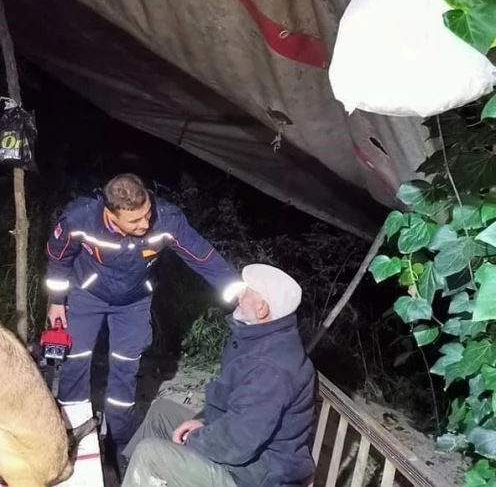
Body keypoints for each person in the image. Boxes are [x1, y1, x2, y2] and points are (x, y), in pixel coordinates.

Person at [43, 173, 243, 457]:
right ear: (111, 215)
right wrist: (56, 302)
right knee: (75, 363)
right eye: (135, 221)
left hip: (134, 302)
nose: (145, 224)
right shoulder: (79, 219)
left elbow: (203, 256)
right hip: (86, 295)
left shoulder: (167, 220)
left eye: (147, 214)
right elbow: (59, 258)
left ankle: (118, 440)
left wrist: (238, 290)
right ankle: (68, 432)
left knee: (125, 369)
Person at [121, 264, 316, 487]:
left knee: (151, 455)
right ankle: (131, 475)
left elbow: (239, 442)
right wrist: (202, 421)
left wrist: (195, 438)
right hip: (244, 455)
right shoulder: (258, 339)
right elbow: (232, 407)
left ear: (262, 309)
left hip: (255, 476)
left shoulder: (271, 368)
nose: (239, 296)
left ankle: (142, 471)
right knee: (161, 412)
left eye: (247, 291)